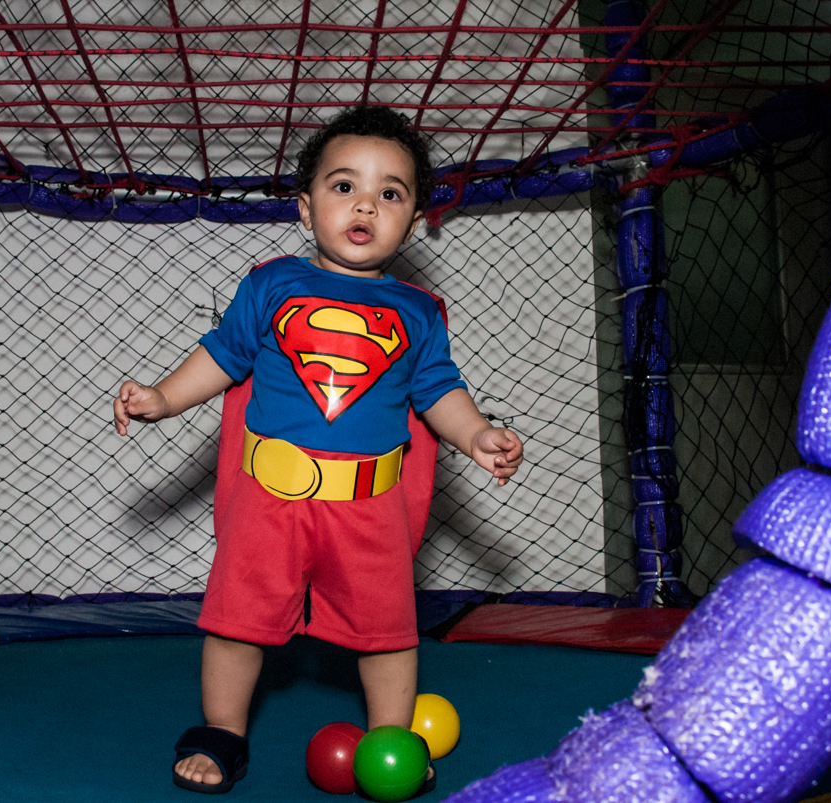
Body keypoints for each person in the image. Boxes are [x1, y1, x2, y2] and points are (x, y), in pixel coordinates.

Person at [113, 105, 524, 794]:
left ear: (412, 219)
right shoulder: (271, 283)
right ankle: (223, 732)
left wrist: (476, 432)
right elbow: (222, 355)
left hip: (368, 507)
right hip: (269, 500)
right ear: (306, 209)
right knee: (236, 623)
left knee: (388, 632)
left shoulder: (419, 312)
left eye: (390, 192)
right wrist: (161, 396)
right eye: (344, 186)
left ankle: (391, 737)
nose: (366, 204)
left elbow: (438, 389)